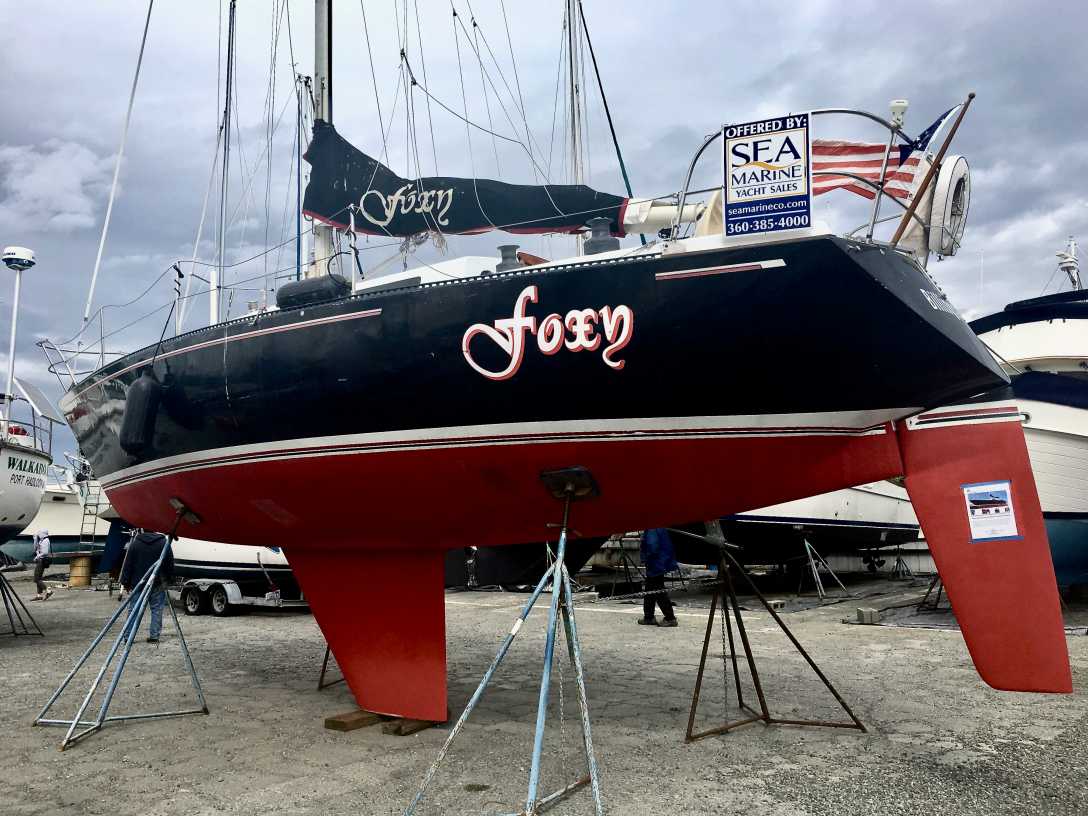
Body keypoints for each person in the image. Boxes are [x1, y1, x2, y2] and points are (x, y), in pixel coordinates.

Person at [120, 531, 175, 643]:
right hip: (157, 582)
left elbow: (128, 564)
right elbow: (169, 564)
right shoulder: (163, 543)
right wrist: (170, 580)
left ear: (143, 530)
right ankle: (154, 636)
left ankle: (128, 637)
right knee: (157, 610)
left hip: (138, 583)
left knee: (133, 610)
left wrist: (125, 582)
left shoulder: (135, 544)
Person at [638, 527, 678, 627]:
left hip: (655, 562)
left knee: (658, 589)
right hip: (659, 561)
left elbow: (652, 545)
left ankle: (670, 618)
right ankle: (649, 617)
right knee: (650, 589)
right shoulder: (658, 526)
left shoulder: (652, 527)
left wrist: (645, 557)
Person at [30, 530, 53, 601]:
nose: (38, 535)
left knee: (36, 579)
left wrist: (37, 556)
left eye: (39, 533)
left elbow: (45, 552)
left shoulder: (45, 541)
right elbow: (35, 549)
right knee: (39, 578)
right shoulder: (41, 540)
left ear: (43, 534)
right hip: (40, 560)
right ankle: (39, 595)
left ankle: (48, 591)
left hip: (42, 561)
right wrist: (35, 540)